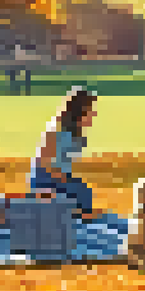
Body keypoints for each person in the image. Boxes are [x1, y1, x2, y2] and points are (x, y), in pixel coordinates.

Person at [30, 87, 103, 219]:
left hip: (62, 177)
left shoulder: (77, 131)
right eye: (91, 109)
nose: (94, 113)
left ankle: (79, 216)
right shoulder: (56, 130)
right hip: (47, 180)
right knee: (79, 191)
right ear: (80, 110)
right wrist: (63, 177)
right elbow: (45, 164)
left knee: (83, 191)